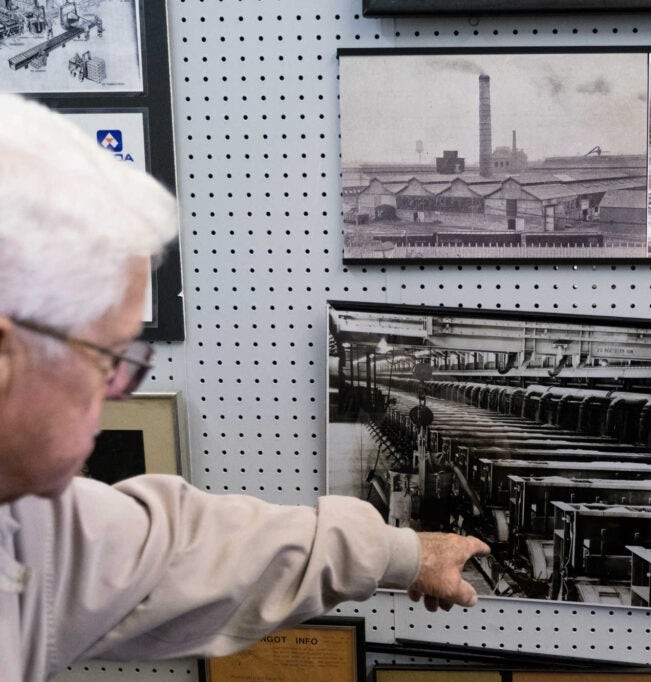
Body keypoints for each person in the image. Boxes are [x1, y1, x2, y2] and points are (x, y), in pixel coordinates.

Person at [0, 93, 489, 681]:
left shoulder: (26, 518)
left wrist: (403, 554)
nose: (118, 391)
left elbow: (176, 553)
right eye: (109, 357)